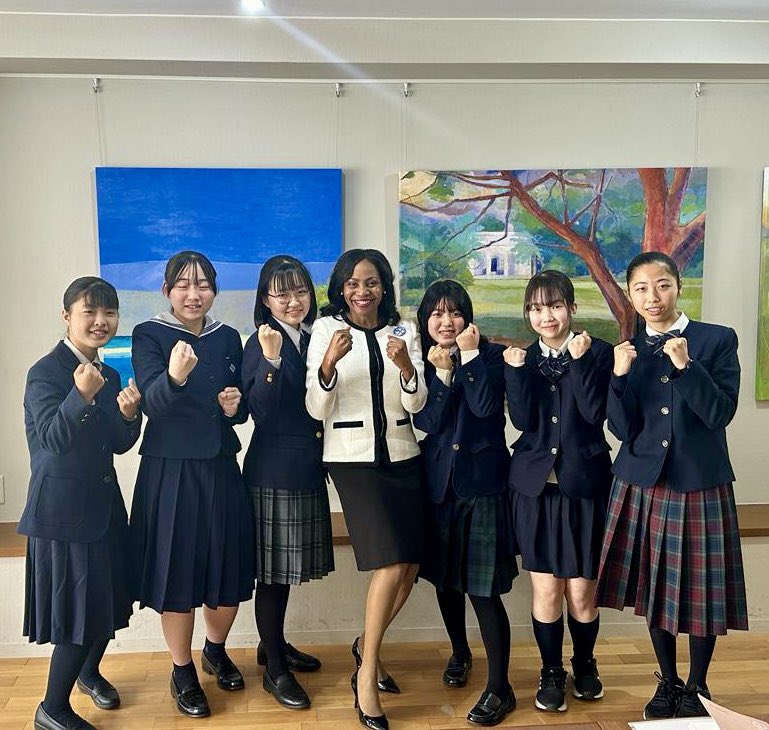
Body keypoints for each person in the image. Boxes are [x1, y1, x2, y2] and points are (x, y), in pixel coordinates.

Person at [595, 251, 748, 719]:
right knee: (653, 587)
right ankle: (669, 681)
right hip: (642, 482)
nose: (652, 297)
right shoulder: (629, 348)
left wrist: (687, 367)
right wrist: (618, 379)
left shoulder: (716, 340)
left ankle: (698, 686)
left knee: (703, 590)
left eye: (661, 285)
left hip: (700, 482)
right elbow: (621, 429)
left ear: (677, 286)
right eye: (640, 288)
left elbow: (720, 413)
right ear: (630, 295)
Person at [129, 250, 254, 719]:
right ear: (167, 292)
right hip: (169, 468)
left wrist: (233, 408)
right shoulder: (149, 335)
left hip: (220, 464)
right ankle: (182, 669)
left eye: (203, 285)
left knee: (227, 566)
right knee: (176, 569)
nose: (193, 293)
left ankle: (215, 650)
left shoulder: (228, 338)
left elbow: (240, 409)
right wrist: (175, 376)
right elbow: (152, 406)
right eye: (183, 285)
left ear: (214, 291)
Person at [305, 248, 426, 730]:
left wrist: (407, 368)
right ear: (340, 288)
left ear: (384, 287)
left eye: (371, 282)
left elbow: (418, 402)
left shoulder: (405, 330)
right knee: (391, 561)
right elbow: (316, 408)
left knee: (412, 564)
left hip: (402, 452)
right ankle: (368, 671)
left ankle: (362, 643)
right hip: (352, 459)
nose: (362, 291)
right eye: (353, 283)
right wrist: (328, 366)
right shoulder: (324, 331)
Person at [20, 276, 142, 730]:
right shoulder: (45, 372)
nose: (100, 321)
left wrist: (129, 416)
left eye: (108, 313)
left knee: (110, 600)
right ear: (67, 316)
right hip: (63, 515)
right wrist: (81, 394)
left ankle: (88, 674)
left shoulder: (108, 373)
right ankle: (51, 709)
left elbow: (116, 442)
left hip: (105, 505)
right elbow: (51, 441)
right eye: (89, 311)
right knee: (79, 612)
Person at [504, 270, 613, 713]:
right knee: (547, 592)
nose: (545, 316)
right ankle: (552, 672)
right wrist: (514, 374)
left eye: (553, 306)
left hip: (584, 486)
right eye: (535, 308)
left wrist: (583, 362)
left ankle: (585, 663)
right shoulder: (522, 359)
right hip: (536, 491)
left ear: (571, 308)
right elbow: (525, 422)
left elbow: (593, 414)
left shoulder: (600, 352)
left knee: (582, 595)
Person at [414, 280, 517, 726]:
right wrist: (439, 376)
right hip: (438, 487)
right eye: (437, 314)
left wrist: (469, 361)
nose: (446, 321)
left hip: (483, 487)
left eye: (453, 312)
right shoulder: (419, 360)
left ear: (467, 317)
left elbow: (486, 406)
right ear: (426, 321)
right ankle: (460, 652)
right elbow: (427, 420)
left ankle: (501, 687)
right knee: (445, 583)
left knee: (483, 589)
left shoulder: (491, 356)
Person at [241, 255, 333, 710]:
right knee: (273, 577)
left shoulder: (316, 336)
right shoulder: (260, 342)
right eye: (282, 293)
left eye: (300, 291)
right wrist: (273, 359)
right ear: (265, 300)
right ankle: (274, 669)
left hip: (307, 467)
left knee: (286, 572)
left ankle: (271, 644)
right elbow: (261, 408)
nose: (294, 301)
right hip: (273, 472)